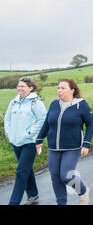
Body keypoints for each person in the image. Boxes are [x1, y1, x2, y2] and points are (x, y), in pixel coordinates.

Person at [36, 79, 93, 205]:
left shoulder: (81, 105)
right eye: (58, 88)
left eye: (63, 88)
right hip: (53, 147)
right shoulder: (54, 104)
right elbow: (47, 123)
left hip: (72, 147)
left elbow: (90, 124)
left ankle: (83, 191)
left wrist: (86, 143)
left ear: (72, 90)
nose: (59, 90)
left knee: (66, 176)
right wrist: (39, 139)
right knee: (55, 178)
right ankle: (61, 203)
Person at [3, 77, 46, 205]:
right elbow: (7, 119)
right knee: (25, 169)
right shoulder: (14, 102)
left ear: (30, 88)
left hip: (29, 142)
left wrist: (29, 133)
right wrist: (9, 134)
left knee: (21, 172)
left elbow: (42, 120)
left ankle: (13, 202)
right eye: (18, 86)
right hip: (15, 141)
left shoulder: (36, 102)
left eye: (22, 86)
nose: (19, 88)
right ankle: (33, 194)